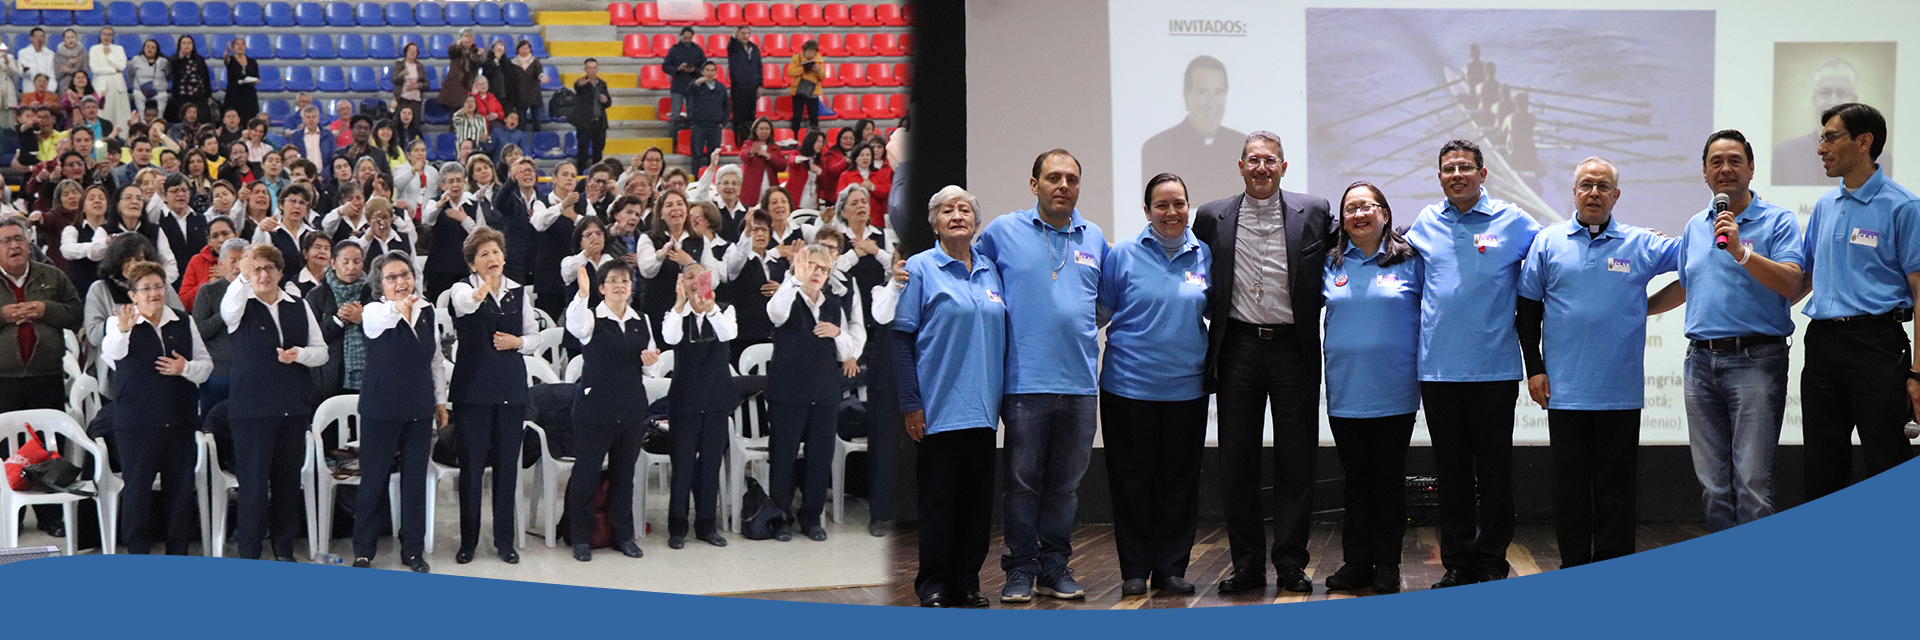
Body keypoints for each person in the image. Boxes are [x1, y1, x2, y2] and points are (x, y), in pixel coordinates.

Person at [1190, 131, 1333, 595]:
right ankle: (1247, 564)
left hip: (1294, 348)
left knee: (1296, 461)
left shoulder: (1313, 211)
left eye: (1270, 160)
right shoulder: (1212, 216)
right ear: (1240, 165)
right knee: (1237, 462)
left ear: (1284, 167)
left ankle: (1291, 563)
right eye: (1254, 160)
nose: (1262, 168)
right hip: (1239, 349)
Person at [1516, 157, 1678, 568]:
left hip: (1619, 393)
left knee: (1616, 490)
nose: (1594, 193)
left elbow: (1698, 254)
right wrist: (1534, 368)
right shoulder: (1547, 241)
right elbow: (1527, 309)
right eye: (1586, 185)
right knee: (1569, 489)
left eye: (1603, 186)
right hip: (1565, 391)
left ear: (1616, 195)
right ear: (1574, 192)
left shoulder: (1641, 243)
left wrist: (1737, 212)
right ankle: (1574, 566)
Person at [1645, 130, 1804, 533]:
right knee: (1713, 484)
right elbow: (1685, 285)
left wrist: (1741, 251)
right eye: (1716, 162)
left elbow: (1791, 283)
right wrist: (1635, 311)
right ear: (1704, 173)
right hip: (1700, 361)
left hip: (1756, 361)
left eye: (1735, 160)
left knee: (1752, 482)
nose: (1725, 169)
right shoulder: (1696, 226)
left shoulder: (1778, 220)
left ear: (1751, 168)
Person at [1406, 139, 1542, 588]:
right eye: (1448, 169)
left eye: (1466, 167)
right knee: (1452, 473)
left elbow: (1550, 258)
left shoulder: (1514, 221)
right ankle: (1458, 563)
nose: (1457, 174)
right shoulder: (1426, 222)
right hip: (1439, 371)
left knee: (1495, 472)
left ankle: (1490, 561)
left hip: (1494, 370)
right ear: (1440, 176)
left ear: (1484, 174)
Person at [972, 149, 1106, 602]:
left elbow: (1102, 305)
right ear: (1035, 185)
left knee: (1065, 488)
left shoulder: (1095, 238)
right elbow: (971, 275)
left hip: (1080, 385)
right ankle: (1020, 570)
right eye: (1053, 177)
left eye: (1072, 178)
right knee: (1023, 484)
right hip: (1025, 383)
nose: (1063, 185)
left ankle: (1055, 567)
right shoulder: (1002, 232)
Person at [873, 186, 1005, 608]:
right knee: (938, 503)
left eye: (965, 209)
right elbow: (900, 339)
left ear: (977, 223)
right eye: (947, 210)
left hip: (983, 410)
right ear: (934, 222)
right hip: (937, 409)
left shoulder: (990, 270)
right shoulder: (920, 268)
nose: (957, 215)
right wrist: (911, 402)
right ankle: (933, 583)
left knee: (975, 505)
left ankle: (967, 582)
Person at [1794, 102, 1920, 501]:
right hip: (1823, 345)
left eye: (1831, 138)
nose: (1821, 149)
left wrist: (1917, 373)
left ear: (1864, 142)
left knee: (1886, 460)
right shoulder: (1825, 207)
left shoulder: (1904, 206)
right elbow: (1804, 281)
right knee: (1821, 465)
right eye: (1821, 139)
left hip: (1877, 346)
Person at [1095, 173, 1211, 597]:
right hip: (1128, 387)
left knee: (1178, 484)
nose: (1171, 212)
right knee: (1131, 481)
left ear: (1188, 208)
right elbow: (1099, 314)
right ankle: (1134, 570)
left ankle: (1170, 569)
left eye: (1178, 203)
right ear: (1147, 212)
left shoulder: (1205, 256)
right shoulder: (1121, 254)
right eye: (1161, 205)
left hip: (1187, 390)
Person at [1312, 181, 1424, 593]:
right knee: (1356, 483)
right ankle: (1356, 562)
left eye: (1366, 207)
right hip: (1346, 393)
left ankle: (1388, 566)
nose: (1358, 215)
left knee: (1388, 481)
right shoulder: (1330, 263)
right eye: (1350, 209)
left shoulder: (1411, 261)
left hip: (1395, 392)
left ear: (1385, 213)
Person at [222, 242, 328, 561]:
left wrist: (301, 355)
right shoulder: (241, 302)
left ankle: (284, 549)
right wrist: (242, 278)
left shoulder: (298, 304)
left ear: (281, 273)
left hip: (292, 406)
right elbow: (228, 311)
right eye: (257, 268)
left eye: (269, 268)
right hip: (252, 410)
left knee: (286, 483)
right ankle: (250, 553)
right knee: (253, 487)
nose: (263, 274)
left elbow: (321, 351)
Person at [102, 259, 211, 555]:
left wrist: (185, 368)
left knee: (179, 491)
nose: (154, 293)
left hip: (179, 418)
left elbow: (206, 366)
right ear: (133, 295)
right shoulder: (119, 321)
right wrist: (124, 330)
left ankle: (178, 552)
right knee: (137, 489)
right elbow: (112, 355)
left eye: (159, 287)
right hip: (136, 423)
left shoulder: (183, 321)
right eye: (146, 288)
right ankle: (138, 553)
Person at [447, 227, 540, 565]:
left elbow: (534, 337)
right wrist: (481, 290)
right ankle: (468, 541)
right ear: (473, 263)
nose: (493, 258)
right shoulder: (462, 288)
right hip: (473, 391)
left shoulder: (518, 292)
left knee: (507, 468)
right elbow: (464, 305)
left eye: (496, 252)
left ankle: (504, 540)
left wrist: (518, 343)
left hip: (511, 389)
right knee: (471, 467)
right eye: (484, 254)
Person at [351, 250, 447, 573]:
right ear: (381, 285)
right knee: (373, 480)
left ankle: (413, 549)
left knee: (414, 481)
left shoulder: (427, 310)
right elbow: (384, 320)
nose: (401, 281)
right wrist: (398, 306)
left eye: (405, 274)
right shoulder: (374, 311)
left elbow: (435, 359)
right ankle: (364, 550)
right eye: (392, 277)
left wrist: (440, 400)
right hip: (381, 408)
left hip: (419, 407)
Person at [766, 240, 863, 542]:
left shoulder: (833, 306)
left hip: (823, 392)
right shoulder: (787, 297)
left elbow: (847, 352)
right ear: (801, 266)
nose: (818, 273)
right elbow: (776, 313)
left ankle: (812, 517)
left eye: (823, 269)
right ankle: (779, 517)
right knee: (783, 456)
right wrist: (795, 277)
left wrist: (837, 334)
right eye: (813, 266)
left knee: (820, 457)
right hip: (788, 391)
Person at [560, 258, 656, 562]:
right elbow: (574, 325)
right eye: (613, 281)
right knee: (586, 474)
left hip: (630, 408)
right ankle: (581, 537)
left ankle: (622, 535)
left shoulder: (642, 320)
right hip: (594, 409)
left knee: (623, 474)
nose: (619, 286)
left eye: (625, 281)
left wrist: (651, 363)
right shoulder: (591, 318)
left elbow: (650, 362)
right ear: (602, 288)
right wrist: (583, 294)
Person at [0, 216, 84, 539]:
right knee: (7, 450)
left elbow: (75, 312)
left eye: (18, 238)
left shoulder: (52, 275)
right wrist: (3, 315)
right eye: (6, 240)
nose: (14, 245)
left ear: (28, 241)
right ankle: (13, 513)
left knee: (49, 448)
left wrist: (44, 309)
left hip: (46, 375)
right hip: (4, 379)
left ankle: (50, 514)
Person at [658, 261, 735, 550]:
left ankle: (706, 525)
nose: (695, 281)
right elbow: (670, 338)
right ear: (681, 282)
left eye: (701, 276)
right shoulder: (675, 314)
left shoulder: (724, 310)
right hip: (685, 399)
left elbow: (729, 334)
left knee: (711, 463)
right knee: (683, 464)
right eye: (689, 277)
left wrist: (710, 308)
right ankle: (677, 527)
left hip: (716, 397)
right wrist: (681, 304)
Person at [1774, 59, 1893, 186]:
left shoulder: (1883, 161)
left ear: (1855, 100)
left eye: (1842, 93)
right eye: (1825, 93)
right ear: (1814, 99)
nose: (1833, 101)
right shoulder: (1784, 155)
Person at [192, 237, 248, 415]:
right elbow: (199, 331)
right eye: (233, 261)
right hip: (217, 373)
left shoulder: (256, 292)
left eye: (243, 261)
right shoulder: (208, 291)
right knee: (212, 425)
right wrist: (226, 312)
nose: (238, 266)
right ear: (221, 263)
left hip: (248, 371)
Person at [421, 163, 475, 299]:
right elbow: (427, 219)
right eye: (451, 181)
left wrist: (464, 219)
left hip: (465, 268)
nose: (455, 185)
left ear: (464, 182)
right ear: (443, 185)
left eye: (458, 180)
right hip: (440, 269)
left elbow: (479, 234)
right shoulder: (435, 203)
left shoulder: (473, 204)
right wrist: (439, 204)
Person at [60, 183, 113, 295]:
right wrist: (100, 245)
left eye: (101, 198)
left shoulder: (114, 229)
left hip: (111, 287)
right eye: (91, 198)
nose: (97, 201)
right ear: (83, 207)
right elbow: (67, 250)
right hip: (81, 287)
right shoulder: (72, 230)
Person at [178, 216, 237, 310]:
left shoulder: (248, 257)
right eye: (215, 236)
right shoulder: (197, 261)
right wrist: (208, 283)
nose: (221, 240)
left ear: (236, 235)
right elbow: (183, 303)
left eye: (225, 234)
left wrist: (230, 277)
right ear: (209, 241)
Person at [662, 26, 707, 141]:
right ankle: (672, 140)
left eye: (689, 38)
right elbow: (665, 66)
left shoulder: (697, 49)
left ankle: (689, 140)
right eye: (685, 37)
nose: (687, 40)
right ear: (681, 36)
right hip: (678, 85)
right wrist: (678, 68)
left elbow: (705, 67)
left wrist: (695, 70)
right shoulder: (674, 50)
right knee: (675, 115)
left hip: (692, 85)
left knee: (692, 115)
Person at [686, 62, 729, 175]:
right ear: (703, 72)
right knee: (697, 155)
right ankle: (695, 179)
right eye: (707, 70)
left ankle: (713, 179)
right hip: (699, 126)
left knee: (713, 156)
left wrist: (723, 122)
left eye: (712, 70)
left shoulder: (721, 87)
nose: (710, 73)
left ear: (715, 72)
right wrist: (696, 84)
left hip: (715, 127)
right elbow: (687, 92)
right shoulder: (696, 86)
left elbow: (726, 106)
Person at [86, 27, 129, 135]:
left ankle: (121, 136)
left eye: (109, 35)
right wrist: (114, 70)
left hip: (118, 86)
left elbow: (122, 66)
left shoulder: (118, 48)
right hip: (101, 86)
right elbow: (95, 69)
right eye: (104, 34)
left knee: (120, 114)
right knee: (104, 112)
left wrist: (109, 55)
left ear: (113, 37)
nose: (106, 37)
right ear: (100, 36)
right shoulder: (94, 49)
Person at [570, 59, 611, 168]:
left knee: (598, 151)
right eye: (589, 68)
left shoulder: (602, 84)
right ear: (585, 70)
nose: (592, 71)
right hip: (585, 123)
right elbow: (577, 87)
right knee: (582, 150)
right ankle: (580, 173)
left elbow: (608, 103)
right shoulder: (581, 83)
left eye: (594, 68)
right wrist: (580, 84)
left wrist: (605, 100)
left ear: (597, 69)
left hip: (599, 122)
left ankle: (597, 173)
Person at [727, 26, 763, 144]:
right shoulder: (734, 48)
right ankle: (737, 141)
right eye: (742, 33)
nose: (745, 36)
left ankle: (749, 140)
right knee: (738, 115)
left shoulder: (754, 48)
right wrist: (733, 36)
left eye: (747, 33)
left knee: (750, 115)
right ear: (738, 34)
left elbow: (759, 67)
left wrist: (759, 85)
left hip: (752, 86)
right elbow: (730, 45)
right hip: (738, 86)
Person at [439, 29, 486, 112]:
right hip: (453, 87)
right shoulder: (456, 48)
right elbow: (452, 51)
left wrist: (480, 55)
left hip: (468, 86)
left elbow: (481, 62)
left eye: (470, 37)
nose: (468, 39)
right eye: (466, 36)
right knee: (454, 115)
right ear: (461, 38)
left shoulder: (476, 51)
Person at [503, 39, 543, 134]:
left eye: (527, 48)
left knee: (537, 121)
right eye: (522, 48)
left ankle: (538, 140)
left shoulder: (535, 62)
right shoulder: (513, 63)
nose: (525, 50)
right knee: (521, 121)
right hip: (520, 95)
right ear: (518, 50)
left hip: (534, 95)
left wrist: (543, 77)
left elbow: (540, 73)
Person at [786, 40, 825, 135]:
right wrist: (803, 69)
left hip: (813, 91)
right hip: (798, 90)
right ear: (803, 51)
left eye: (813, 52)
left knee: (814, 117)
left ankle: (814, 136)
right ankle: (794, 135)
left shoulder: (819, 60)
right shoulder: (796, 58)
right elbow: (790, 72)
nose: (810, 54)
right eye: (808, 51)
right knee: (797, 116)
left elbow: (823, 77)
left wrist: (818, 71)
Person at [129, 38, 169, 120]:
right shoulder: (136, 60)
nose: (150, 49)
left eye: (152, 47)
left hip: (159, 91)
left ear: (157, 49)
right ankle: (143, 124)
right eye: (148, 47)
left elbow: (168, 75)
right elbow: (130, 74)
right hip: (140, 91)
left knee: (163, 96)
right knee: (137, 94)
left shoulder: (164, 62)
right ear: (144, 48)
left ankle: (159, 122)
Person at [222, 39, 259, 122]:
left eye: (242, 44)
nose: (240, 46)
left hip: (249, 95)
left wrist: (254, 80)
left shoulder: (252, 62)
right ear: (233, 47)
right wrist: (227, 52)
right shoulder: (231, 60)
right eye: (237, 44)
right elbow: (226, 60)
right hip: (234, 95)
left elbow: (257, 78)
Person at [393, 41, 428, 119]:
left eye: (415, 51)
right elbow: (394, 80)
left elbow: (427, 84)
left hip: (416, 101)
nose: (413, 53)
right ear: (406, 52)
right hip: (402, 100)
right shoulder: (399, 65)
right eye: (410, 50)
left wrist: (417, 85)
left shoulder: (420, 66)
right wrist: (402, 74)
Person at [17, 29, 53, 97]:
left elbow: (52, 74)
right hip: (29, 89)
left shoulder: (50, 54)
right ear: (31, 38)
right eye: (36, 36)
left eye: (41, 36)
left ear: (44, 39)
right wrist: (25, 70)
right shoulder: (23, 53)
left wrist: (51, 90)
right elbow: (21, 74)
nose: (39, 39)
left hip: (46, 90)